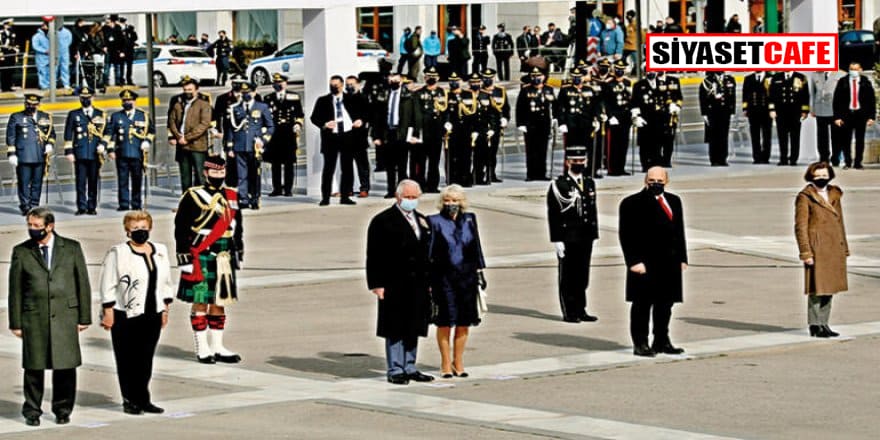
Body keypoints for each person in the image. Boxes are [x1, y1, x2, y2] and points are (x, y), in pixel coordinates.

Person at [8, 207, 91, 426]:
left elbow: (82, 283)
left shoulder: (71, 248)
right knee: (34, 367)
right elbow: (15, 290)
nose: (32, 229)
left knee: (65, 366)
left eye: (36, 226)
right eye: (29, 225)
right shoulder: (21, 251)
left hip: (66, 316)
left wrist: (84, 317)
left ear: (49, 226)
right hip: (34, 317)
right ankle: (32, 411)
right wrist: (15, 322)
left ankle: (63, 409)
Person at [99, 211, 174, 415]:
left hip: (152, 311)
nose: (140, 232)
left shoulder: (160, 250)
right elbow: (107, 283)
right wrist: (108, 311)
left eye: (143, 228)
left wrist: (165, 308)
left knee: (145, 357)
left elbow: (165, 281)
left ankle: (143, 397)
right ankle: (129, 399)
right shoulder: (118, 252)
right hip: (125, 313)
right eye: (135, 229)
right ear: (127, 231)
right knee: (127, 359)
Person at [175, 156, 244, 364]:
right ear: (206, 173)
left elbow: (237, 226)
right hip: (201, 252)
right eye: (214, 173)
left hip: (224, 253)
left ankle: (217, 346)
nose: (218, 177)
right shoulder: (193, 196)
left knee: (219, 300)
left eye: (221, 173)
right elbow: (181, 228)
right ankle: (202, 347)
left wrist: (238, 249)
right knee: (201, 300)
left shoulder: (231, 195)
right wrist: (184, 257)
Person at [366, 180, 435, 385]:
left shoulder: (421, 219)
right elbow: (374, 255)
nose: (411, 201)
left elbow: (427, 252)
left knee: (414, 324)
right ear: (398, 196)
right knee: (395, 326)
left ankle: (410, 365)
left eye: (415, 198)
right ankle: (396, 368)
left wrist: (430, 280)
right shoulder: (383, 221)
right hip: (394, 282)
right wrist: (377, 284)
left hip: (418, 283)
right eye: (408, 197)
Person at [618, 167, 688, 357]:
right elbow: (627, 235)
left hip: (669, 263)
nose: (655, 183)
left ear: (667, 181)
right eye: (651, 180)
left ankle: (661, 340)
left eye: (659, 180)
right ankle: (640, 343)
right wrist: (633, 261)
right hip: (645, 263)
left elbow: (679, 232)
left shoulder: (674, 201)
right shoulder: (632, 203)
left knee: (665, 304)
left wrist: (682, 257)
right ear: (645, 181)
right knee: (642, 305)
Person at [428, 184, 486, 378]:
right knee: (445, 321)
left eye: (454, 200)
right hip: (443, 278)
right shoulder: (434, 221)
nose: (450, 204)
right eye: (447, 200)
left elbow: (476, 246)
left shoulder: (470, 219)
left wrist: (480, 271)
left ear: (461, 202)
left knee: (464, 322)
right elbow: (429, 251)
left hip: (467, 277)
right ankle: (445, 362)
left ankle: (458, 361)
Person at [795, 162, 849, 338]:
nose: (821, 179)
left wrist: (844, 248)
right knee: (817, 289)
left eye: (824, 175)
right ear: (811, 177)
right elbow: (800, 227)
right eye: (817, 176)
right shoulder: (805, 197)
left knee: (830, 288)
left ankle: (824, 323)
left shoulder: (834, 194)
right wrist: (806, 252)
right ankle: (814, 324)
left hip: (834, 247)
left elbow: (840, 223)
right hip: (817, 248)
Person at [547, 145, 599, 323]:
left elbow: (591, 210)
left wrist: (593, 232)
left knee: (582, 274)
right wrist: (556, 239)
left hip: (586, 236)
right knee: (568, 275)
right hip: (568, 236)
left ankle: (581, 308)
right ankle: (569, 311)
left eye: (582, 161)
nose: (579, 163)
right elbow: (553, 213)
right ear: (568, 162)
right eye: (575, 161)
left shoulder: (589, 182)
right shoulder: (558, 185)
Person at [309, 75, 363, 206]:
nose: (334, 88)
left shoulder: (351, 99)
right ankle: (325, 197)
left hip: (347, 135)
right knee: (328, 168)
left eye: (336, 85)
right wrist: (324, 124)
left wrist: (360, 120)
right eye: (331, 85)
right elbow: (314, 117)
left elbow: (363, 113)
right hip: (331, 138)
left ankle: (345, 196)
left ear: (342, 85)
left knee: (347, 168)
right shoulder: (323, 100)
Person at [223, 81, 274, 209]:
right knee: (241, 175)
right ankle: (243, 199)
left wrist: (263, 140)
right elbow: (231, 129)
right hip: (240, 146)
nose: (246, 95)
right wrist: (230, 146)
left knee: (254, 174)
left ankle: (255, 198)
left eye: (249, 92)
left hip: (255, 146)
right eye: (244, 92)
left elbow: (270, 126)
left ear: (254, 92)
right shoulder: (235, 108)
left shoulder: (262, 107)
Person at [6, 94, 56, 215]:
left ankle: (34, 205)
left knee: (37, 183)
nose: (30, 107)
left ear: (38, 105)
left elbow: (52, 134)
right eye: (28, 104)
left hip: (40, 154)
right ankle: (25, 206)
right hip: (24, 155)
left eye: (33, 105)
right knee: (24, 182)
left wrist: (49, 144)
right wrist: (12, 153)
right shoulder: (16, 117)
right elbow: (11, 136)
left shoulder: (45, 117)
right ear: (25, 103)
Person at [107, 90, 154, 211]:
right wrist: (110, 150)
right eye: (125, 100)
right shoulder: (116, 116)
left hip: (137, 153)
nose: (127, 102)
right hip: (121, 152)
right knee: (122, 179)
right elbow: (111, 134)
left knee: (137, 179)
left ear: (134, 101)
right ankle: (123, 203)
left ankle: (136, 203)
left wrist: (147, 141)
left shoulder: (143, 115)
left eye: (129, 100)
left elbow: (151, 131)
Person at [63, 86, 106, 216]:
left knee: (93, 181)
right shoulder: (74, 114)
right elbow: (68, 133)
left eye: (87, 98)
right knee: (80, 181)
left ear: (92, 98)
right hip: (80, 152)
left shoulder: (100, 114)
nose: (85, 100)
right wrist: (69, 152)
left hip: (94, 152)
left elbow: (107, 132)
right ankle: (81, 206)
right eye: (83, 98)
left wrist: (103, 145)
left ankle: (92, 206)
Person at [169, 77, 213, 192]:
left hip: (197, 145)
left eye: (190, 90)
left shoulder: (203, 105)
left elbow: (204, 125)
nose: (187, 92)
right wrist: (178, 137)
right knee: (185, 178)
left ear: (196, 90)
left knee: (200, 175)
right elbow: (172, 121)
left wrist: (187, 138)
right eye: (185, 90)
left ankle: (201, 201)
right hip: (182, 146)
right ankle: (186, 202)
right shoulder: (178, 104)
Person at [264, 73, 304, 197]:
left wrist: (298, 124)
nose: (278, 85)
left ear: (285, 83)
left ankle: (288, 189)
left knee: (288, 163)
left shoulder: (294, 96)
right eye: (275, 83)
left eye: (280, 82)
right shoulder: (268, 98)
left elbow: (299, 114)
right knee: (275, 163)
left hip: (288, 133)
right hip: (274, 134)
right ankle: (276, 188)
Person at [631, 71, 680, 171]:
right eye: (649, 71)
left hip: (659, 118)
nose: (651, 73)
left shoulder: (662, 84)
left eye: (653, 71)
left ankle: (656, 163)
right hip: (645, 118)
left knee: (657, 142)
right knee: (645, 143)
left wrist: (672, 106)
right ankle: (646, 164)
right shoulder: (639, 85)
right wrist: (636, 116)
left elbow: (667, 98)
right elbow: (634, 102)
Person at [832, 62, 876, 170]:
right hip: (847, 114)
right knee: (846, 140)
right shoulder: (843, 82)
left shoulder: (866, 82)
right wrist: (837, 117)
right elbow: (836, 100)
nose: (854, 71)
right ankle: (847, 161)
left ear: (860, 70)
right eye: (851, 69)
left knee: (860, 140)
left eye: (856, 69)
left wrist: (871, 117)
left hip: (861, 115)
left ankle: (858, 162)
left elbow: (871, 100)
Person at [516, 67, 556, 181]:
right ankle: (531, 174)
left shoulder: (549, 89)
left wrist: (555, 119)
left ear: (543, 77)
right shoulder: (525, 90)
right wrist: (521, 123)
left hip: (544, 123)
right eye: (534, 76)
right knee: (531, 149)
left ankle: (542, 173)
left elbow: (555, 105)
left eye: (539, 76)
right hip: (530, 123)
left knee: (543, 149)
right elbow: (520, 108)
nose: (536, 78)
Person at [411, 67, 445, 192]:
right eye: (429, 76)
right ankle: (421, 184)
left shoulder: (443, 92)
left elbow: (445, 112)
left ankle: (433, 185)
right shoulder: (419, 93)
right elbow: (416, 113)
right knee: (421, 160)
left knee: (434, 160)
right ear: (425, 78)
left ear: (438, 78)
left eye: (434, 76)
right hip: (424, 131)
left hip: (437, 131)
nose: (431, 79)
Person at [473, 68, 509, 184]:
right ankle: (478, 174)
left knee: (493, 151)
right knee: (480, 152)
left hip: (496, 126)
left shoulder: (500, 91)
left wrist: (505, 119)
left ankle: (491, 174)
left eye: (490, 78)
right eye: (485, 78)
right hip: (482, 126)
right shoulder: (480, 92)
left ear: (493, 78)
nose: (487, 80)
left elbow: (506, 108)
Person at [769, 71, 810, 166]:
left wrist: (804, 110)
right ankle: (783, 158)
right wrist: (772, 109)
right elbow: (771, 94)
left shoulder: (800, 77)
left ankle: (793, 158)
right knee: (782, 136)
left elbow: (805, 95)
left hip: (795, 111)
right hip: (781, 111)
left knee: (795, 136)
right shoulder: (776, 77)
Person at [443, 72, 478, 186]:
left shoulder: (468, 94)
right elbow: (445, 111)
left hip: (466, 129)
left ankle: (465, 178)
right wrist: (446, 122)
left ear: (461, 82)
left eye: (456, 81)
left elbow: (473, 114)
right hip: (453, 130)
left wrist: (474, 129)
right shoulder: (447, 95)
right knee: (453, 156)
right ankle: (453, 178)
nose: (454, 83)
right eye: (452, 81)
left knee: (466, 155)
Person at [601, 60, 635, 175]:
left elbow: (630, 100)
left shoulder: (627, 83)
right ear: (614, 69)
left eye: (622, 69)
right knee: (613, 145)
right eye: (617, 69)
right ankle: (612, 169)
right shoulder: (608, 83)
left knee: (623, 143)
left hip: (625, 117)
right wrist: (610, 116)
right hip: (614, 117)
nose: (620, 71)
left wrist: (634, 114)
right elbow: (605, 102)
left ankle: (621, 167)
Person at [699, 71, 736, 166]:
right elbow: (702, 98)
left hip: (725, 112)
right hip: (713, 112)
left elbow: (732, 97)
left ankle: (723, 158)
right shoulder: (708, 81)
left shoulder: (729, 79)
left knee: (724, 135)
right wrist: (704, 113)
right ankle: (714, 159)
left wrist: (732, 111)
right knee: (713, 136)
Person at [345, 75, 371, 197]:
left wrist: (362, 120)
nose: (349, 86)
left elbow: (370, 115)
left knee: (362, 165)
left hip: (360, 137)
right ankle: (348, 188)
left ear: (358, 84)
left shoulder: (364, 98)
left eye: (351, 84)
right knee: (347, 165)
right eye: (347, 84)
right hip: (346, 137)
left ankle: (364, 188)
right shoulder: (343, 99)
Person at [811, 70, 844, 164]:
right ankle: (823, 157)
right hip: (820, 108)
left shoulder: (841, 74)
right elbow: (813, 93)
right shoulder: (816, 74)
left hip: (835, 109)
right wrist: (813, 108)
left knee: (837, 135)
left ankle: (836, 157)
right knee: (821, 136)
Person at [742, 71, 774, 164]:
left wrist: (773, 109)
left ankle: (765, 157)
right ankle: (756, 157)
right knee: (755, 135)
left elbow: (773, 94)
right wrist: (745, 108)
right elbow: (745, 94)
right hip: (753, 111)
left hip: (766, 111)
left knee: (766, 135)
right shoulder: (748, 78)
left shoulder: (770, 77)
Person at [100, 15, 124, 88]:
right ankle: (106, 82)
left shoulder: (118, 28)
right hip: (108, 50)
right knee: (107, 66)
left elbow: (122, 40)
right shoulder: (105, 28)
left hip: (116, 50)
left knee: (117, 66)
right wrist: (104, 46)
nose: (107, 23)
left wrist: (122, 51)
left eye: (109, 21)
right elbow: (102, 38)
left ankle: (118, 81)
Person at [0, 18, 18, 92]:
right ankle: (4, 87)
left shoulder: (12, 33)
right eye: (7, 25)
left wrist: (16, 49)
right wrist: (0, 53)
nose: (9, 26)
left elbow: (14, 43)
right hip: (4, 53)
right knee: (4, 70)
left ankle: (9, 86)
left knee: (10, 70)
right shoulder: (1, 33)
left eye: (10, 25)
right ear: (4, 25)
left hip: (11, 53)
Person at [32, 22, 51, 90]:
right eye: (46, 26)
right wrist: (44, 51)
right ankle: (43, 86)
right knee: (42, 71)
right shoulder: (36, 36)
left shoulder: (50, 35)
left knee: (49, 72)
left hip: (50, 57)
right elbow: (35, 46)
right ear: (42, 26)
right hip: (41, 57)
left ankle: (48, 85)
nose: (48, 28)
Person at [119, 17, 137, 86]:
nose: (124, 23)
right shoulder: (120, 30)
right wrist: (120, 51)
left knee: (129, 66)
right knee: (122, 66)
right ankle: (121, 80)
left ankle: (129, 79)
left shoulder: (129, 30)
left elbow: (135, 38)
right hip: (123, 51)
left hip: (130, 50)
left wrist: (132, 31)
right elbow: (121, 41)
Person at [56, 23, 73, 89]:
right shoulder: (52, 31)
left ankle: (66, 84)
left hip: (64, 52)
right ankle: (53, 83)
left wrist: (64, 47)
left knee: (65, 68)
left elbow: (69, 41)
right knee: (54, 69)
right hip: (56, 52)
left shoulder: (67, 32)